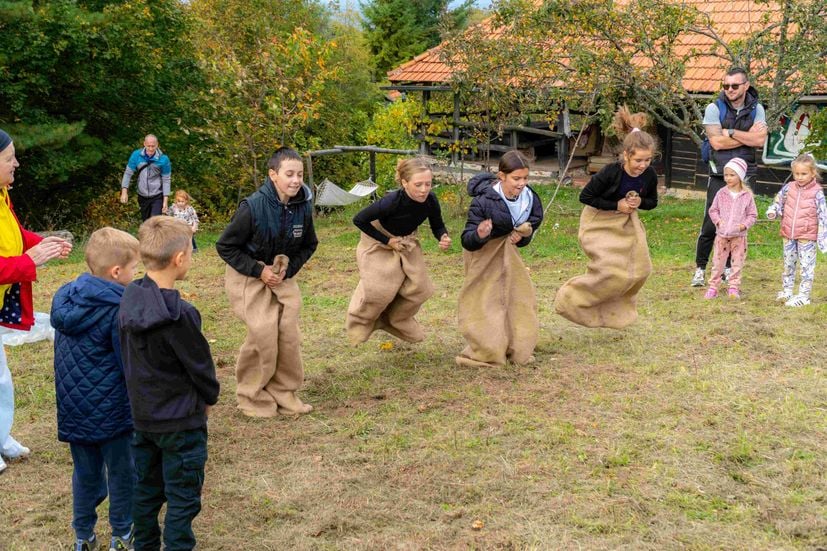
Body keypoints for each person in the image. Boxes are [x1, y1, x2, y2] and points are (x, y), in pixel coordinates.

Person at [119, 216, 220, 550]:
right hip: (180, 423)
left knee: (146, 491)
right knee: (182, 496)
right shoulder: (181, 315)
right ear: (179, 259)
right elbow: (200, 366)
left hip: (143, 418)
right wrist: (209, 397)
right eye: (190, 252)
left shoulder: (129, 298)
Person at [51, 227, 140, 551]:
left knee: (85, 474)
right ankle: (123, 532)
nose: (136, 275)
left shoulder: (66, 297)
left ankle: (83, 534)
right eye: (134, 269)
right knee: (123, 473)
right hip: (113, 411)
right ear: (116, 272)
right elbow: (127, 363)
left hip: (74, 408)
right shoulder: (118, 309)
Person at [216, 147, 317, 417]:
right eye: (289, 174)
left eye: (299, 174)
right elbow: (225, 247)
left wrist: (289, 268)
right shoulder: (252, 207)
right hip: (248, 275)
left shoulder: (303, 206)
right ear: (273, 175)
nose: (296, 180)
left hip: (281, 276)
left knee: (288, 333)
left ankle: (284, 392)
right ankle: (252, 395)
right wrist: (259, 271)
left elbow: (310, 244)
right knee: (262, 331)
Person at [0, 128, 72, 475]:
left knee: (0, 378)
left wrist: (44, 243)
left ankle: (1, 437)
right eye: (9, 157)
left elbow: (13, 236)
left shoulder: (2, 195)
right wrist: (33, 260)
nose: (16, 162)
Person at [554, 106, 658, 329]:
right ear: (626, 155)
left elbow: (652, 202)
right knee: (610, 270)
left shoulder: (649, 175)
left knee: (641, 269)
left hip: (626, 224)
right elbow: (586, 196)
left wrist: (640, 202)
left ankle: (614, 312)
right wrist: (616, 204)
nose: (643, 165)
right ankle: (570, 298)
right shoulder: (610, 172)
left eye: (647, 160)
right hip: (599, 222)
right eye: (638, 160)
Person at [346, 158, 451, 345]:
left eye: (428, 184)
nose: (424, 189)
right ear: (404, 183)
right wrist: (387, 240)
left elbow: (438, 225)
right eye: (418, 184)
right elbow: (359, 220)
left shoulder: (430, 200)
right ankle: (361, 323)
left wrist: (442, 236)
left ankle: (397, 319)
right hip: (378, 239)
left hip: (405, 241)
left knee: (422, 289)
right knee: (378, 289)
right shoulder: (391, 202)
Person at [455, 150, 543, 367]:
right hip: (483, 254)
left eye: (525, 178)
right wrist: (481, 234)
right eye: (516, 179)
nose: (522, 183)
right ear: (501, 176)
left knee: (518, 299)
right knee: (487, 303)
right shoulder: (483, 201)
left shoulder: (530, 198)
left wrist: (523, 235)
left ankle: (518, 348)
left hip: (508, 256)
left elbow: (534, 222)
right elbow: (467, 239)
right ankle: (487, 350)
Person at [692, 67, 768, 287]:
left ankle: (727, 269)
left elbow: (760, 141)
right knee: (711, 221)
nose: (730, 90)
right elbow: (716, 143)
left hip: (745, 173)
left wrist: (731, 133)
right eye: (725, 86)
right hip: (720, 171)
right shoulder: (714, 108)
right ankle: (700, 268)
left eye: (735, 85)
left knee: (737, 222)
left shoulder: (757, 109)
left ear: (746, 85)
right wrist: (748, 137)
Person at [766, 154, 827, 307]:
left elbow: (823, 215)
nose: (799, 177)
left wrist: (823, 237)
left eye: (803, 173)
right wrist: (773, 210)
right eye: (796, 173)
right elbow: (778, 201)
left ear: (813, 173)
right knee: (788, 264)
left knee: (806, 267)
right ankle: (787, 291)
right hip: (788, 234)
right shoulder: (789, 187)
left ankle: (803, 296)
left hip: (807, 236)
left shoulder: (817, 192)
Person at [704, 158, 758, 300]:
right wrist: (719, 222)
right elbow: (713, 210)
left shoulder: (747, 196)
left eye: (731, 175)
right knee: (717, 262)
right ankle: (713, 287)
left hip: (739, 237)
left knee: (737, 263)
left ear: (740, 176)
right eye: (726, 175)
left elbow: (753, 215)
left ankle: (733, 287)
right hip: (721, 236)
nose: (727, 178)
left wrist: (744, 225)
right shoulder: (721, 193)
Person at [120, 134, 172, 221]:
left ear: (157, 145)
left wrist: (165, 201)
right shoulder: (136, 155)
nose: (151, 149)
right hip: (142, 195)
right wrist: (124, 192)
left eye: (153, 146)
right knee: (146, 222)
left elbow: (166, 180)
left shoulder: (164, 159)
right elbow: (128, 173)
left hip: (157, 195)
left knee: (154, 221)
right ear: (144, 144)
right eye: (149, 146)